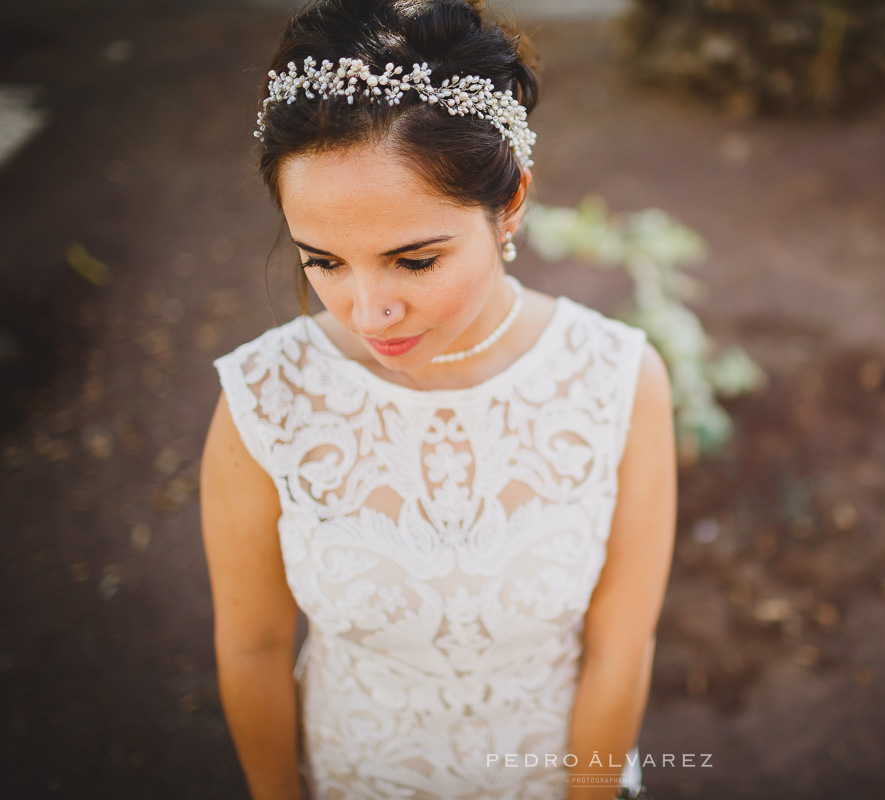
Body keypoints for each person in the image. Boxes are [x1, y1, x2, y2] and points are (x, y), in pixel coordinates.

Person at [198, 1, 678, 798]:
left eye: (414, 261)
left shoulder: (619, 379)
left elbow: (622, 646)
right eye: (323, 260)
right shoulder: (265, 400)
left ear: (511, 202)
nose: (366, 310)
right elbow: (251, 649)